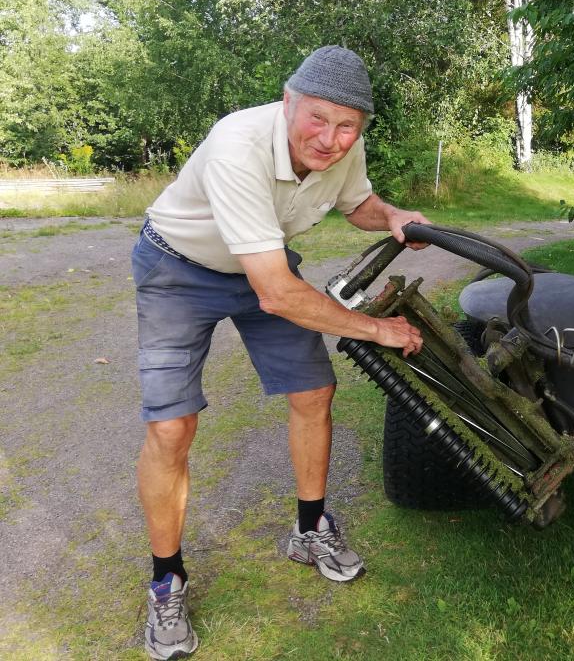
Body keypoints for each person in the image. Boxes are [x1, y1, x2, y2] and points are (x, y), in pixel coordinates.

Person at [133, 45, 427, 660]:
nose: (331, 139)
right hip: (178, 268)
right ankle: (167, 580)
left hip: (261, 267)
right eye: (318, 119)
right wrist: (376, 329)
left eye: (347, 126)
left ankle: (310, 528)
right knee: (171, 426)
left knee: (314, 391)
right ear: (288, 101)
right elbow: (277, 293)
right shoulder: (237, 144)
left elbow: (357, 203)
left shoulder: (342, 146)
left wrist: (394, 215)